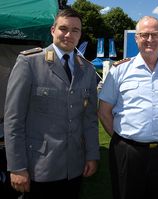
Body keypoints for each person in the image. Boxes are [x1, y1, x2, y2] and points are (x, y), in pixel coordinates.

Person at [4, 8, 99, 199]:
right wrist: (17, 166)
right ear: (52, 30)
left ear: (80, 34)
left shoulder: (87, 69)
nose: (68, 35)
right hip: (39, 167)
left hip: (74, 167)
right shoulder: (29, 63)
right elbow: (14, 119)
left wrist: (92, 155)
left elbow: (89, 120)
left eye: (75, 30)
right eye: (63, 28)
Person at [98, 16, 158, 199]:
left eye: (155, 35)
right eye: (144, 35)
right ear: (136, 38)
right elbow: (104, 110)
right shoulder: (119, 70)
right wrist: (120, 140)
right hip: (128, 152)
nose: (150, 39)